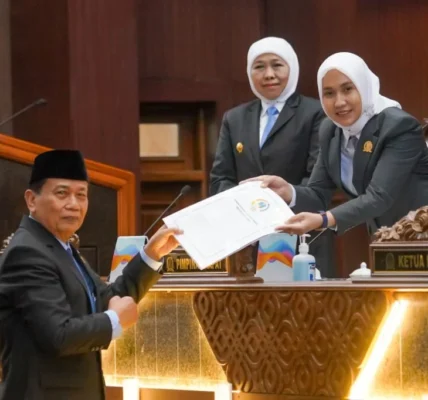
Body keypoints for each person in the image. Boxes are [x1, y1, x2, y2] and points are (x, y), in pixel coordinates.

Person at [0, 149, 182, 400]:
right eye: (62, 193)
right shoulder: (27, 252)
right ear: (32, 200)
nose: (73, 204)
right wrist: (113, 321)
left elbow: (109, 297)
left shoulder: (62, 247)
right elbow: (58, 335)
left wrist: (151, 254)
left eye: (81, 195)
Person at [244, 52, 428, 238]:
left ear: (364, 87)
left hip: (421, 235)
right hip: (385, 240)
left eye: (347, 89)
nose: (339, 102)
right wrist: (288, 192)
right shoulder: (331, 130)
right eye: (329, 93)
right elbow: (317, 194)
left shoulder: (398, 126)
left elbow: (379, 197)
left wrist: (324, 219)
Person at [210, 36, 335, 275]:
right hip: (247, 242)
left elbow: (320, 184)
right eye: (259, 66)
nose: (269, 74)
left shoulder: (316, 114)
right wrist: (246, 203)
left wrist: (287, 195)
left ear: (292, 68)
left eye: (277, 65)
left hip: (301, 240)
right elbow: (220, 179)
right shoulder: (234, 118)